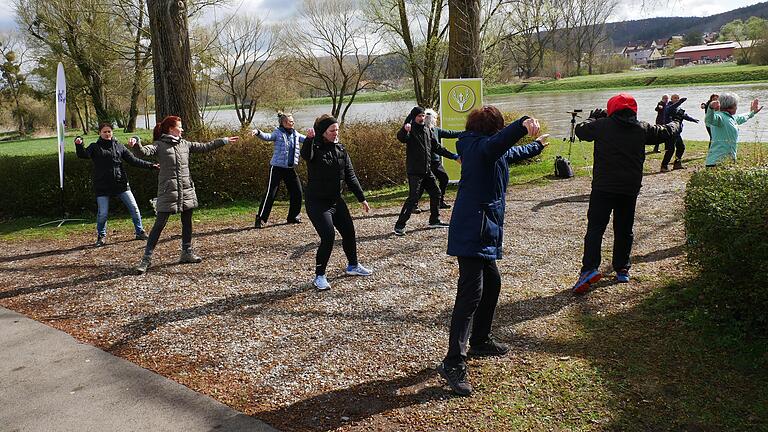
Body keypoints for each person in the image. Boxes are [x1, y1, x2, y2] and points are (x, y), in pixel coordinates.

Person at [437, 105, 547, 397]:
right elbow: (500, 144)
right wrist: (522, 123)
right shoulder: (478, 148)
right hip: (473, 231)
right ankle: (453, 361)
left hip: (484, 230)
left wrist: (535, 147)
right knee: (470, 295)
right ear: (494, 129)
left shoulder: (487, 150)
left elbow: (508, 152)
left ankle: (481, 339)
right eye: (500, 129)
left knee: (493, 283)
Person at [571, 94, 680, 294]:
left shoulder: (601, 125)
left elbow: (581, 131)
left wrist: (592, 118)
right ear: (633, 110)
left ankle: (589, 269)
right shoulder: (642, 128)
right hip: (629, 189)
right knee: (624, 228)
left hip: (603, 187)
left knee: (595, 229)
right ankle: (622, 268)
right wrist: (677, 121)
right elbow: (666, 133)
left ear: (611, 109)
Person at [128, 116, 240, 274]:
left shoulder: (185, 144)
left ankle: (186, 253)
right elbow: (142, 152)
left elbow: (205, 147)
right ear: (170, 129)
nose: (182, 129)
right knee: (159, 225)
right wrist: (136, 142)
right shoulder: (159, 145)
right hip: (168, 192)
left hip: (187, 190)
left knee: (187, 222)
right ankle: (146, 259)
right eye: (179, 127)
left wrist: (224, 140)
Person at [301, 114, 372, 291]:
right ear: (323, 132)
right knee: (328, 236)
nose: (336, 133)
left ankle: (353, 266)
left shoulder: (340, 149)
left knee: (349, 231)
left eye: (337, 130)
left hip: (335, 200)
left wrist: (361, 198)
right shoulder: (314, 147)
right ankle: (319, 276)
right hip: (317, 202)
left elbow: (350, 175)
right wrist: (309, 140)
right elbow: (305, 155)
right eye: (332, 130)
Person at [75, 123, 159, 247]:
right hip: (102, 186)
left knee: (134, 208)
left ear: (112, 132)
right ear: (100, 133)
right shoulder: (94, 147)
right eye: (104, 132)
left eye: (109, 131)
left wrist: (151, 166)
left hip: (121, 184)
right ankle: (101, 236)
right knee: (102, 213)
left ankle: (140, 231)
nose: (107, 134)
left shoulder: (119, 146)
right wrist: (79, 144)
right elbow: (83, 154)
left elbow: (133, 160)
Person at [393, 106, 461, 236]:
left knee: (436, 192)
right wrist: (404, 129)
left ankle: (434, 220)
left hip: (426, 170)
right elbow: (401, 138)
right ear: (414, 117)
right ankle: (399, 226)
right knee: (413, 198)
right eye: (419, 116)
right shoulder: (410, 130)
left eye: (423, 116)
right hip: (415, 171)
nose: (422, 118)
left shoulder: (427, 131)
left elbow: (437, 148)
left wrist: (454, 157)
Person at [252, 112, 306, 228]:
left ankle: (293, 216)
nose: (293, 123)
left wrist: (318, 137)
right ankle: (260, 219)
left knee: (297, 192)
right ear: (284, 123)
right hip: (276, 168)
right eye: (290, 121)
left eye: (293, 121)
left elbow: (306, 140)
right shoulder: (278, 132)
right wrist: (258, 132)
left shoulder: (295, 134)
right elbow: (268, 137)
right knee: (270, 194)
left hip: (290, 169)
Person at [417, 108, 462, 210]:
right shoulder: (422, 131)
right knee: (423, 183)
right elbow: (437, 148)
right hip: (426, 162)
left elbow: (450, 133)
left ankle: (440, 202)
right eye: (434, 118)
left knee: (444, 178)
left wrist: (465, 133)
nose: (435, 120)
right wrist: (454, 156)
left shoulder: (436, 130)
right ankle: (414, 205)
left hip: (435, 162)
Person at [704, 93, 762, 167]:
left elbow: (742, 117)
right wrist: (710, 108)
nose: (737, 108)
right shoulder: (719, 118)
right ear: (732, 106)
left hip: (728, 161)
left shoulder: (731, 118)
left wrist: (752, 112)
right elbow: (709, 120)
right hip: (716, 163)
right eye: (736, 105)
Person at [660, 94, 698, 172]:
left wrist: (693, 119)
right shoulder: (668, 107)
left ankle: (677, 164)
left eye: (678, 98)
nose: (677, 99)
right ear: (671, 99)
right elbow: (670, 109)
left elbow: (684, 116)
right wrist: (680, 102)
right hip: (669, 132)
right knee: (670, 149)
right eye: (675, 98)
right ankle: (664, 166)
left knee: (681, 147)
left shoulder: (679, 108)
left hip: (676, 132)